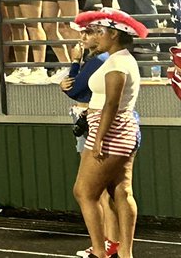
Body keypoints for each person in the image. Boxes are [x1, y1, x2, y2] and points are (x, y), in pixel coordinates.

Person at [71, 9, 147, 258]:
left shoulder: (117, 62)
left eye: (97, 32)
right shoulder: (122, 59)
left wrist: (99, 138)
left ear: (113, 34)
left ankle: (100, 252)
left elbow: (111, 103)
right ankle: (125, 253)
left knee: (84, 191)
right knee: (122, 191)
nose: (93, 36)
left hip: (111, 130)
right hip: (122, 130)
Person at [61, 26, 121, 258]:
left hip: (92, 121)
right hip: (88, 119)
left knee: (97, 190)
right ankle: (109, 242)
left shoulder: (99, 61)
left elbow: (74, 88)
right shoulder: (100, 59)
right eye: (82, 33)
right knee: (104, 190)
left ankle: (108, 243)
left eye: (88, 33)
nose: (82, 38)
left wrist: (75, 63)